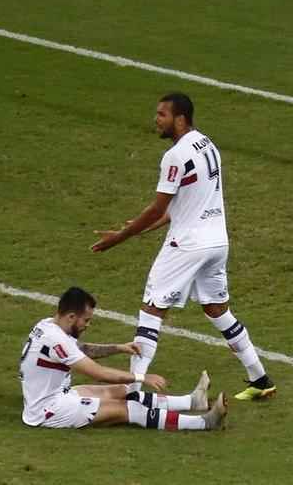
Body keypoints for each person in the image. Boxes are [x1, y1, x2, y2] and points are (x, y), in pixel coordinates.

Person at [91, 93, 277, 402]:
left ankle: (132, 392)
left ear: (180, 119)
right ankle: (260, 378)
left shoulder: (175, 156)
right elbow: (179, 208)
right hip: (217, 242)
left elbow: (157, 208)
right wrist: (134, 232)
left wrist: (119, 238)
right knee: (218, 311)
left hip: (188, 245)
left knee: (152, 309)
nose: (156, 119)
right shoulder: (208, 145)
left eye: (162, 114)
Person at [19, 286, 226, 431]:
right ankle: (204, 423)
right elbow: (98, 373)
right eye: (86, 320)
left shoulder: (48, 325)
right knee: (129, 409)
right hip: (49, 410)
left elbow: (83, 350)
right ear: (71, 316)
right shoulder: (56, 339)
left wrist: (119, 348)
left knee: (122, 392)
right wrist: (140, 377)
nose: (87, 325)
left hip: (59, 394)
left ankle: (192, 401)